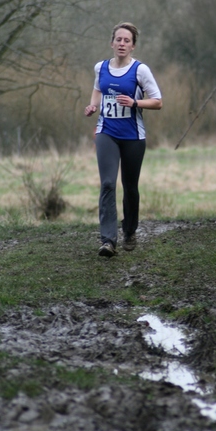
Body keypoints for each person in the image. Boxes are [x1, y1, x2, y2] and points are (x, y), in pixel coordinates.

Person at [84, 22, 162, 257]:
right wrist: (93, 105)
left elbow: (157, 101)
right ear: (112, 43)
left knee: (130, 186)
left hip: (133, 136)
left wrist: (135, 102)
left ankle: (129, 230)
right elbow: (98, 89)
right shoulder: (101, 67)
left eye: (127, 40)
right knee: (108, 183)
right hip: (106, 132)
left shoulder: (140, 70)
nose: (122, 43)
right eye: (118, 39)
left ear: (133, 46)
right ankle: (108, 240)